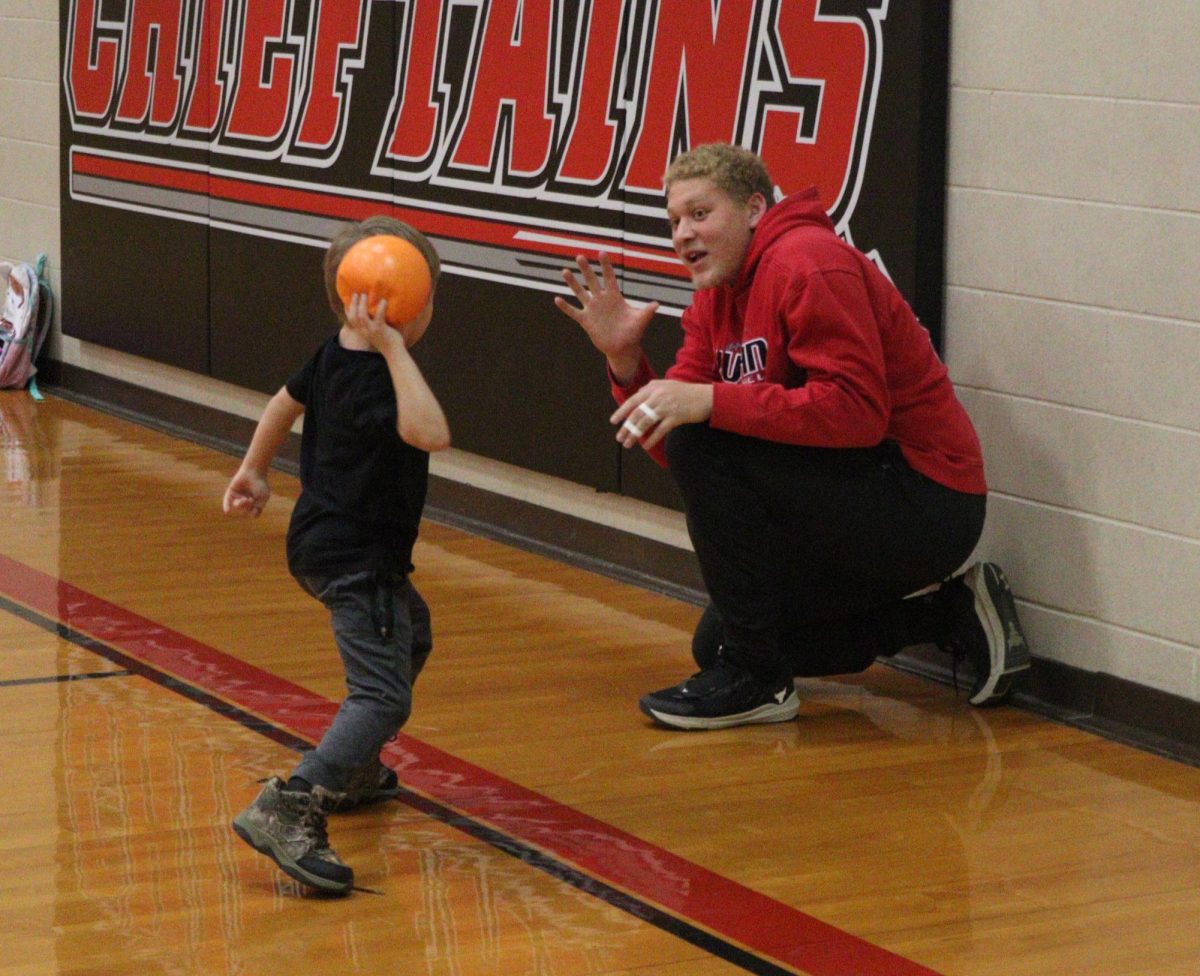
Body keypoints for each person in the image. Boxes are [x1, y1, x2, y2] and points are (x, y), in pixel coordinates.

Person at [554, 142, 1029, 731]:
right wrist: (628, 365)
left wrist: (709, 402)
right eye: (674, 221)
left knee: (746, 632)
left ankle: (759, 684)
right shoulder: (714, 301)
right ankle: (945, 616)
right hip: (848, 493)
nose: (682, 234)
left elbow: (855, 411)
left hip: (927, 497)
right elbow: (680, 448)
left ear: (754, 209)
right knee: (720, 642)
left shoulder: (809, 262)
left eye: (700, 214)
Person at [222, 215, 450, 894]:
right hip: (359, 558)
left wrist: (253, 470)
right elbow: (432, 432)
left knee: (414, 633)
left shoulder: (333, 352)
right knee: (381, 697)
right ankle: (293, 802)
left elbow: (280, 404)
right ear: (408, 304)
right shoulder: (381, 375)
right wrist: (398, 350)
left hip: (318, 542)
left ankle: (353, 770)